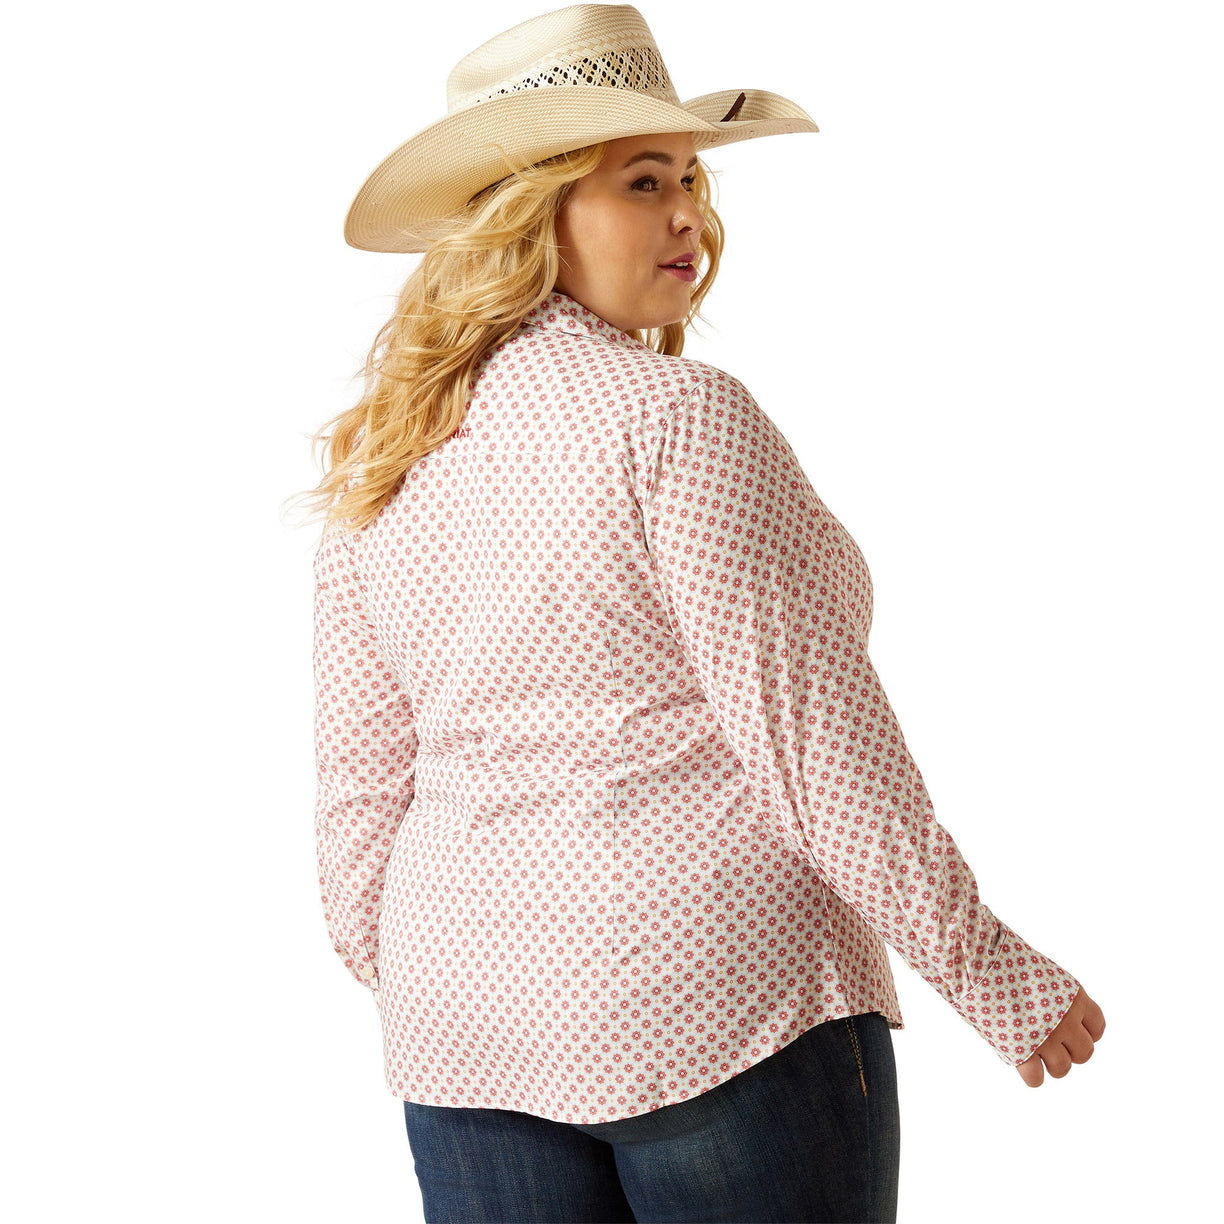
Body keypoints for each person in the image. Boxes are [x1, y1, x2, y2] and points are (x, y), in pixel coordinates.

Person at [296, 5, 1106, 1222]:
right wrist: (991, 973)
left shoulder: (384, 461)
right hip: (722, 1012)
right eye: (641, 182)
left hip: (459, 1032)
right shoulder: (676, 420)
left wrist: (438, 978)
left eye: (690, 178)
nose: (689, 216)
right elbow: (812, 746)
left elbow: (359, 804)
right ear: (531, 209)